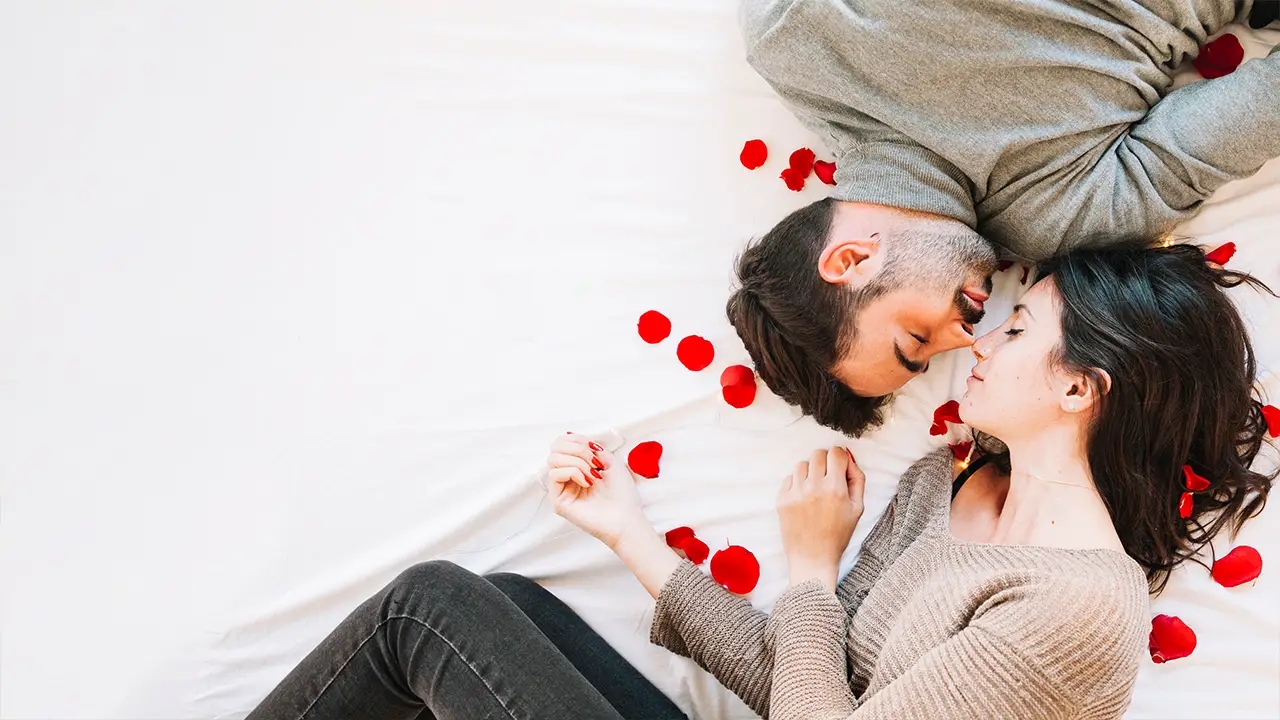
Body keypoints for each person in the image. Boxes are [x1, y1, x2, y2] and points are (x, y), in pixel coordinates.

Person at [248, 242, 1275, 719]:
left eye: (1012, 331)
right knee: (506, 604)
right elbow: (801, 687)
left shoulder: (1077, 609)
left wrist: (809, 567)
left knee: (426, 612)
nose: (976, 348)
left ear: (1077, 389)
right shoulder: (940, 484)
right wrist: (627, 534)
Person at [730, 0, 1280, 436]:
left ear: (852, 259)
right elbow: (1261, 107)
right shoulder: (1061, 223)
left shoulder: (792, 32)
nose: (968, 340)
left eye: (915, 338)